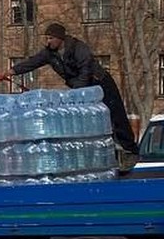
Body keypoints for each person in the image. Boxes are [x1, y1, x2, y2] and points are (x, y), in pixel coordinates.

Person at [8, 22, 138, 157]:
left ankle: (130, 149)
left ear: (60, 38)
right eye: (46, 38)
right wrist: (12, 71)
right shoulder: (50, 53)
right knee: (89, 119)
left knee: (115, 114)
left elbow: (85, 70)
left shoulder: (78, 48)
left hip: (100, 82)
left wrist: (78, 93)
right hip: (80, 87)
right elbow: (33, 62)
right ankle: (103, 152)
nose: (48, 42)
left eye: (51, 38)